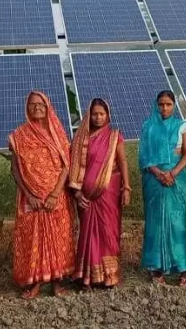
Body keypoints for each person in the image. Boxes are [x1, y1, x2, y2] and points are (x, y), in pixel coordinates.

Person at [9, 90, 75, 298]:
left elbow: (66, 166)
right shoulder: (19, 136)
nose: (37, 107)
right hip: (31, 197)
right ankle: (35, 283)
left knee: (58, 238)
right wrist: (29, 195)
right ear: (26, 108)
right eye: (32, 104)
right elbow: (15, 169)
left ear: (48, 107)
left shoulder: (57, 134)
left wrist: (54, 194)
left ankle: (57, 283)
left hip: (56, 196)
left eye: (41, 104)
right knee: (33, 239)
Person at [67, 98, 130, 287]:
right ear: (89, 115)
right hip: (86, 196)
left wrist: (127, 187)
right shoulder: (80, 139)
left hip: (109, 192)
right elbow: (73, 168)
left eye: (102, 114)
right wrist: (77, 194)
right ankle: (87, 275)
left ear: (108, 115)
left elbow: (122, 161)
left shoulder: (114, 136)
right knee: (87, 232)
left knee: (107, 231)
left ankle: (109, 275)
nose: (98, 117)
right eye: (94, 114)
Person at [138, 90, 186, 285]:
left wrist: (172, 173)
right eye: (161, 104)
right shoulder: (148, 127)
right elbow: (144, 156)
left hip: (176, 180)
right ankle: (157, 269)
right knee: (155, 223)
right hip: (154, 180)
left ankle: (183, 269)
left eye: (168, 104)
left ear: (174, 105)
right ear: (156, 105)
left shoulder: (181, 126)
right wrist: (159, 173)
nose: (164, 108)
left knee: (177, 223)